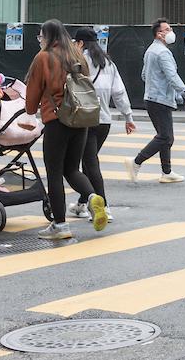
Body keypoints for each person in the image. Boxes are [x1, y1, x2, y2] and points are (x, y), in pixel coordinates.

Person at [24, 19, 107, 240]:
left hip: (57, 119)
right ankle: (91, 198)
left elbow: (33, 90)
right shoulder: (78, 56)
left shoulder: (44, 57)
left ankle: (60, 226)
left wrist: (31, 109)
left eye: (41, 36)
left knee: (54, 172)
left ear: (48, 36)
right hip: (81, 119)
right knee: (72, 169)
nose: (40, 40)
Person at [70, 27, 136, 224]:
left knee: (90, 163)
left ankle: (104, 206)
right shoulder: (109, 63)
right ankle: (83, 203)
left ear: (80, 43)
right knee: (88, 161)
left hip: (86, 120)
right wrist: (128, 116)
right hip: (104, 122)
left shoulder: (81, 62)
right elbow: (119, 92)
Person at [126, 19, 185, 184]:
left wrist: (155, 83)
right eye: (168, 29)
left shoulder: (150, 50)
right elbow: (172, 76)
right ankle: (136, 162)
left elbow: (144, 75)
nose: (171, 31)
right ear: (159, 34)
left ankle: (167, 172)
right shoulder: (163, 53)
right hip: (160, 100)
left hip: (152, 98)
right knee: (165, 137)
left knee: (166, 137)